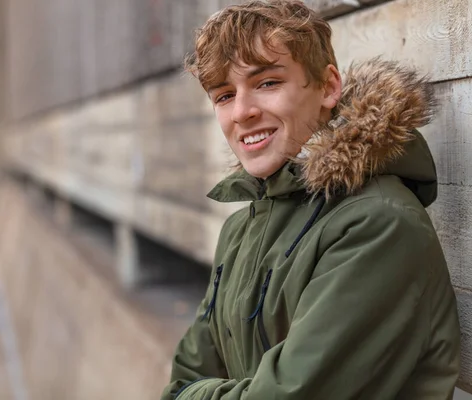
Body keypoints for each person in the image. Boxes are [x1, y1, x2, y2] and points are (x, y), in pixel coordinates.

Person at [160, 1, 461, 399]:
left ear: (328, 87)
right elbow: (182, 379)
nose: (242, 112)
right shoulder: (241, 229)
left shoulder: (378, 224)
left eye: (267, 82)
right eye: (224, 95)